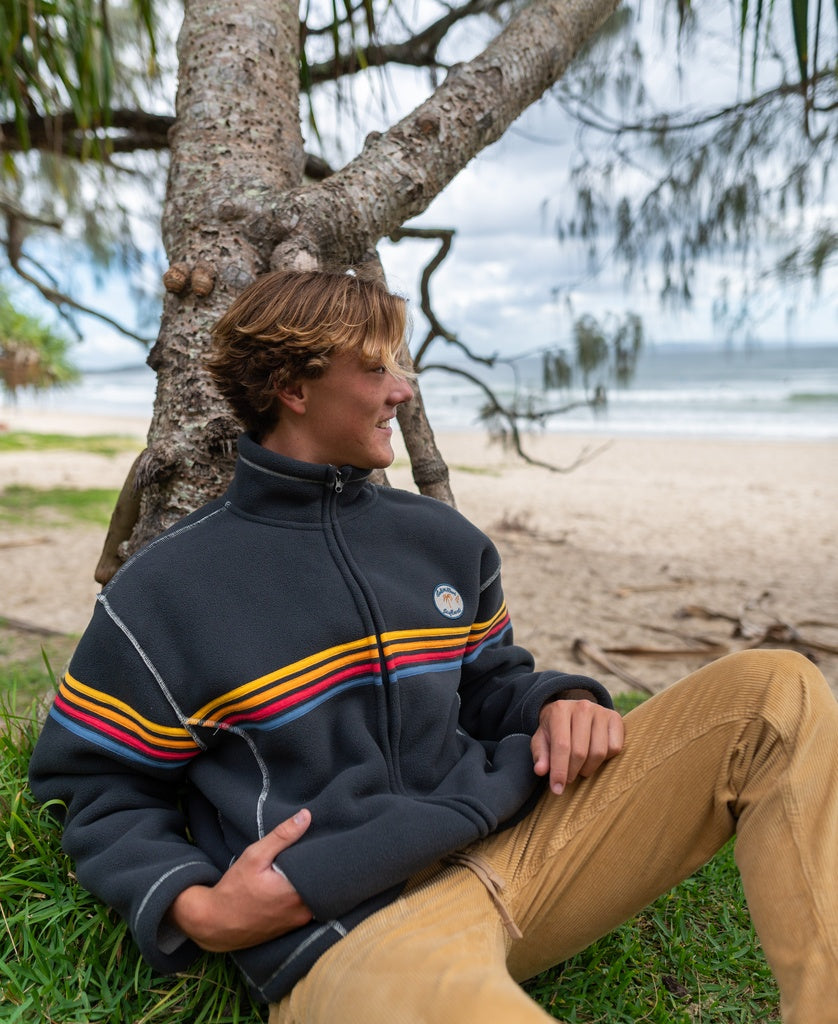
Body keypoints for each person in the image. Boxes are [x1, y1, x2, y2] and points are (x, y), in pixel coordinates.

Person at [29, 269, 838, 1024]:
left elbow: (491, 685)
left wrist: (558, 701)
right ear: (293, 387)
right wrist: (193, 906)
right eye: (377, 370)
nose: (402, 392)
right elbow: (94, 785)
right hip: (349, 928)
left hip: (529, 848)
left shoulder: (442, 541)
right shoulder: (167, 589)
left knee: (775, 691)